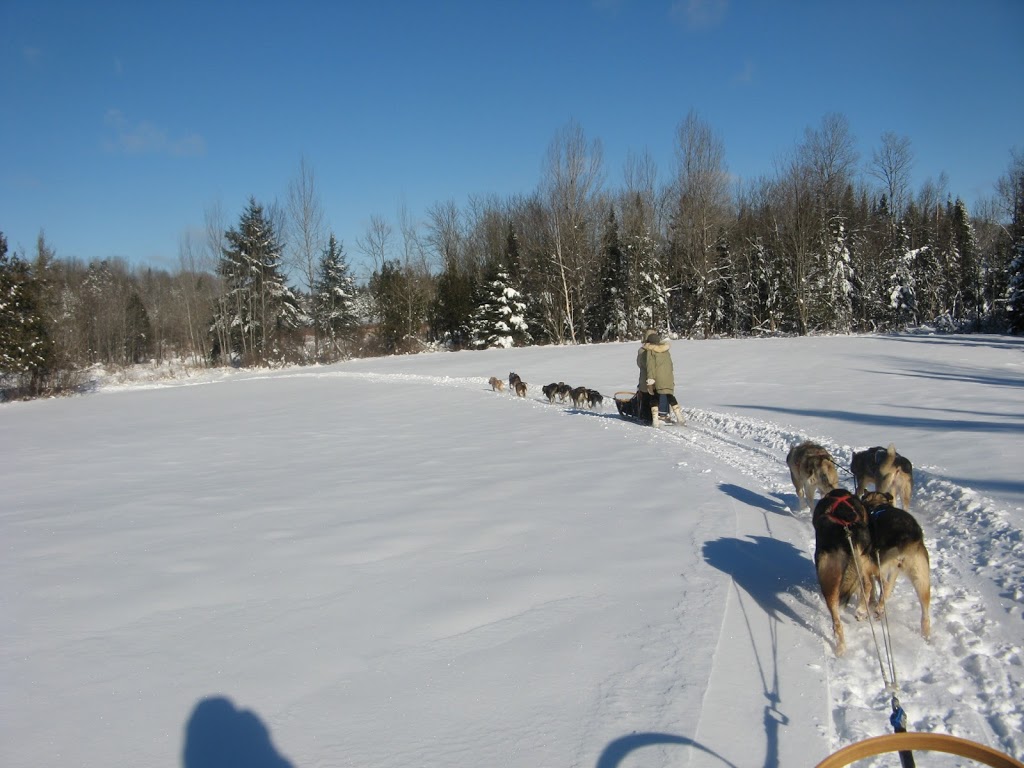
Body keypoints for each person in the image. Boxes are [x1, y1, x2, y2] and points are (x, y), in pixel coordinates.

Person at [636, 329, 684, 427]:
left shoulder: (648, 351)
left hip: (654, 378)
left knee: (653, 396)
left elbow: (649, 366)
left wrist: (651, 379)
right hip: (668, 377)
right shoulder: (665, 350)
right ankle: (679, 417)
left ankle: (654, 419)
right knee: (669, 396)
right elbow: (670, 365)